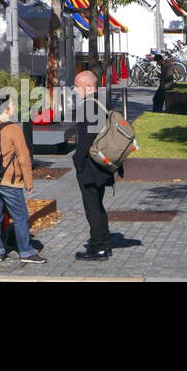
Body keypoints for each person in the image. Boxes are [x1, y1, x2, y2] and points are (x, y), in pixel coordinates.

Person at [0, 96, 46, 264]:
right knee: (20, 216)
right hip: (9, 180)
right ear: (5, 110)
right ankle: (26, 252)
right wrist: (29, 182)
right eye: (12, 105)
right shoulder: (13, 129)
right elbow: (23, 157)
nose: (15, 107)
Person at [73, 70, 119, 262]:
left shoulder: (89, 107)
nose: (74, 90)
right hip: (101, 165)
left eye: (77, 86)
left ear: (89, 86)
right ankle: (102, 243)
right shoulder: (101, 103)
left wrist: (78, 161)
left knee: (92, 207)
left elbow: (85, 140)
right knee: (97, 206)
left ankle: (99, 247)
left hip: (91, 168)